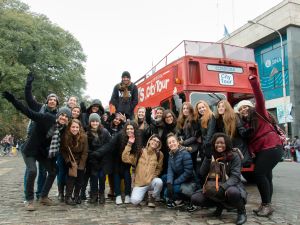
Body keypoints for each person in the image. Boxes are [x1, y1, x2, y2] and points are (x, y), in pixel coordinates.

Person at [2, 91, 71, 211]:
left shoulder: (63, 129)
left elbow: (59, 146)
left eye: (66, 116)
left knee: (54, 171)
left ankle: (43, 196)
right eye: (62, 115)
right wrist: (13, 100)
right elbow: (28, 112)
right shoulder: (47, 118)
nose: (64, 117)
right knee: (32, 171)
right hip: (30, 149)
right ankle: (29, 200)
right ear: (58, 114)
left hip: (41, 152)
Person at [236, 73, 283, 217]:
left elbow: (259, 96)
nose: (243, 110)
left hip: (272, 147)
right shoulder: (247, 124)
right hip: (263, 150)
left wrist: (254, 81)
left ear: (251, 107)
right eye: (241, 109)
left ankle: (266, 205)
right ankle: (266, 204)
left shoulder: (259, 112)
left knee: (259, 174)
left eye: (246, 107)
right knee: (267, 176)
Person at [190, 133, 247, 225]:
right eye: (217, 143)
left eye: (222, 143)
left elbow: (235, 176)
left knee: (232, 192)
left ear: (227, 144)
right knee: (195, 198)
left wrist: (223, 187)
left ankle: (241, 211)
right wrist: (207, 158)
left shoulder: (234, 156)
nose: (219, 145)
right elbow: (202, 173)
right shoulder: (212, 155)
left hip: (230, 185)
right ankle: (219, 206)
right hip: (214, 185)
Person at [122, 134, 164, 207]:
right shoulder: (140, 152)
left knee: (159, 182)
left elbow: (159, 168)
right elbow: (125, 158)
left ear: (159, 144)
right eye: (154, 140)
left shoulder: (159, 154)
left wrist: (152, 177)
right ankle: (144, 195)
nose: (155, 142)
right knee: (134, 201)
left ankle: (152, 198)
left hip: (150, 182)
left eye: (158, 142)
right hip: (139, 184)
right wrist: (129, 144)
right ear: (149, 141)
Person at [83, 113, 112, 204]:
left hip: (103, 159)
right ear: (90, 122)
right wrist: (92, 154)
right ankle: (94, 194)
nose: (95, 123)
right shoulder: (87, 133)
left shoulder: (105, 131)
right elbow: (86, 147)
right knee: (94, 177)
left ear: (99, 122)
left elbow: (109, 144)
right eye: (93, 121)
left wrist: (99, 152)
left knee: (102, 177)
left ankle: (102, 194)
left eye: (96, 121)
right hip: (92, 159)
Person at [60, 119, 88, 205]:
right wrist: (67, 161)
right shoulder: (65, 136)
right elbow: (63, 150)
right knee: (70, 179)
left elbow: (85, 152)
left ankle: (76, 195)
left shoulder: (84, 137)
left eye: (77, 127)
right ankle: (68, 197)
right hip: (71, 160)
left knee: (80, 180)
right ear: (69, 127)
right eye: (73, 127)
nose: (75, 129)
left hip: (81, 160)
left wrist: (81, 166)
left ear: (79, 128)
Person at [165, 133, 195, 208]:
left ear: (178, 143)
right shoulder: (171, 155)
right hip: (179, 177)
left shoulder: (185, 153)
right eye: (169, 142)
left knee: (170, 191)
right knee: (166, 184)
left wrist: (174, 183)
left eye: (173, 141)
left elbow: (188, 172)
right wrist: (169, 183)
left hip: (189, 180)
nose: (172, 144)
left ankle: (188, 199)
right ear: (168, 145)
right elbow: (170, 170)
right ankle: (178, 198)